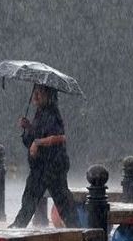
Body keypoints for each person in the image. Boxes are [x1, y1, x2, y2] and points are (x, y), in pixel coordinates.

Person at [8, 84, 80, 228]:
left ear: (48, 96)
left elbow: (60, 137)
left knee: (62, 200)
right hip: (40, 165)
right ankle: (17, 227)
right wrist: (28, 127)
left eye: (39, 93)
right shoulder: (39, 113)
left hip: (53, 165)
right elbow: (36, 135)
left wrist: (37, 142)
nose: (35, 96)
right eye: (35, 92)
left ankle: (77, 231)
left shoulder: (52, 114)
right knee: (30, 198)